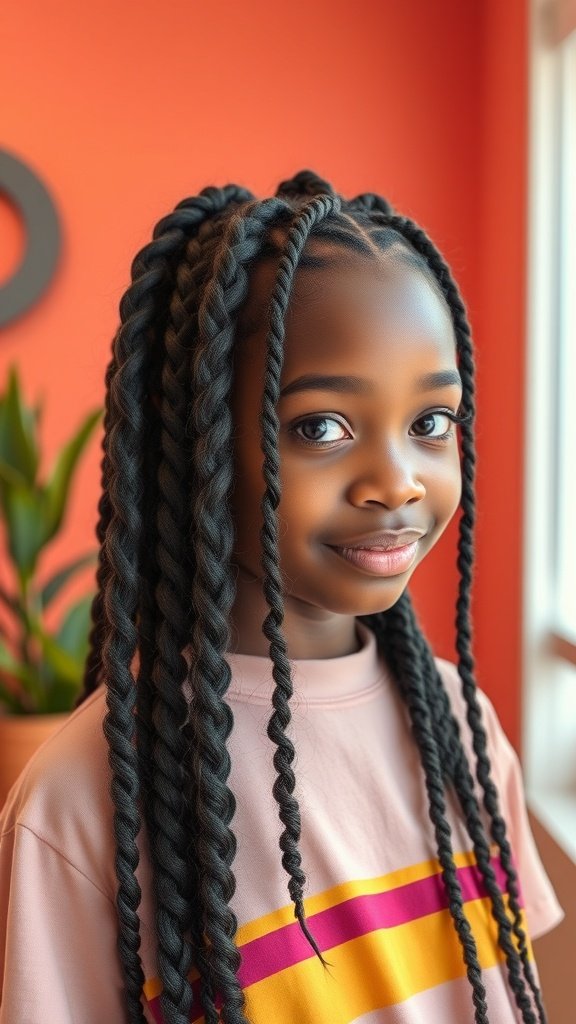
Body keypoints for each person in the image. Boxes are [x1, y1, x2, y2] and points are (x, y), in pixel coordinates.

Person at [0, 171, 565, 1024]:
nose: (397, 482)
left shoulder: (458, 726)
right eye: (321, 428)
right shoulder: (79, 806)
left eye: (431, 423)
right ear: (203, 445)